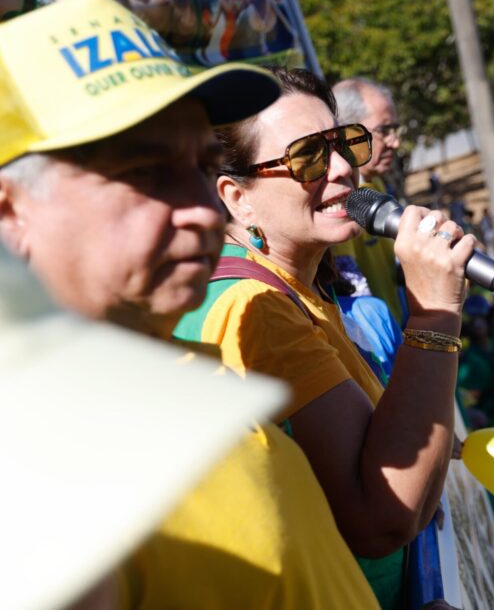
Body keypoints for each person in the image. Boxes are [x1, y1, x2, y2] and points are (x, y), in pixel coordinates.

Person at [0, 0, 378, 606]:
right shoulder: (34, 471)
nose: (204, 208)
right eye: (148, 172)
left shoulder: (174, 369)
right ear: (9, 213)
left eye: (202, 167)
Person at [173, 66, 473, 608]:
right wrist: (435, 314)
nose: (341, 169)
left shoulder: (297, 287)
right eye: (307, 156)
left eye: (344, 143)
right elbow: (382, 520)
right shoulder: (254, 309)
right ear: (237, 197)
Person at [332, 77, 405, 322]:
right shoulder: (340, 200)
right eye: (384, 131)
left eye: (395, 130)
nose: (395, 142)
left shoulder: (375, 183)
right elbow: (352, 287)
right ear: (349, 132)